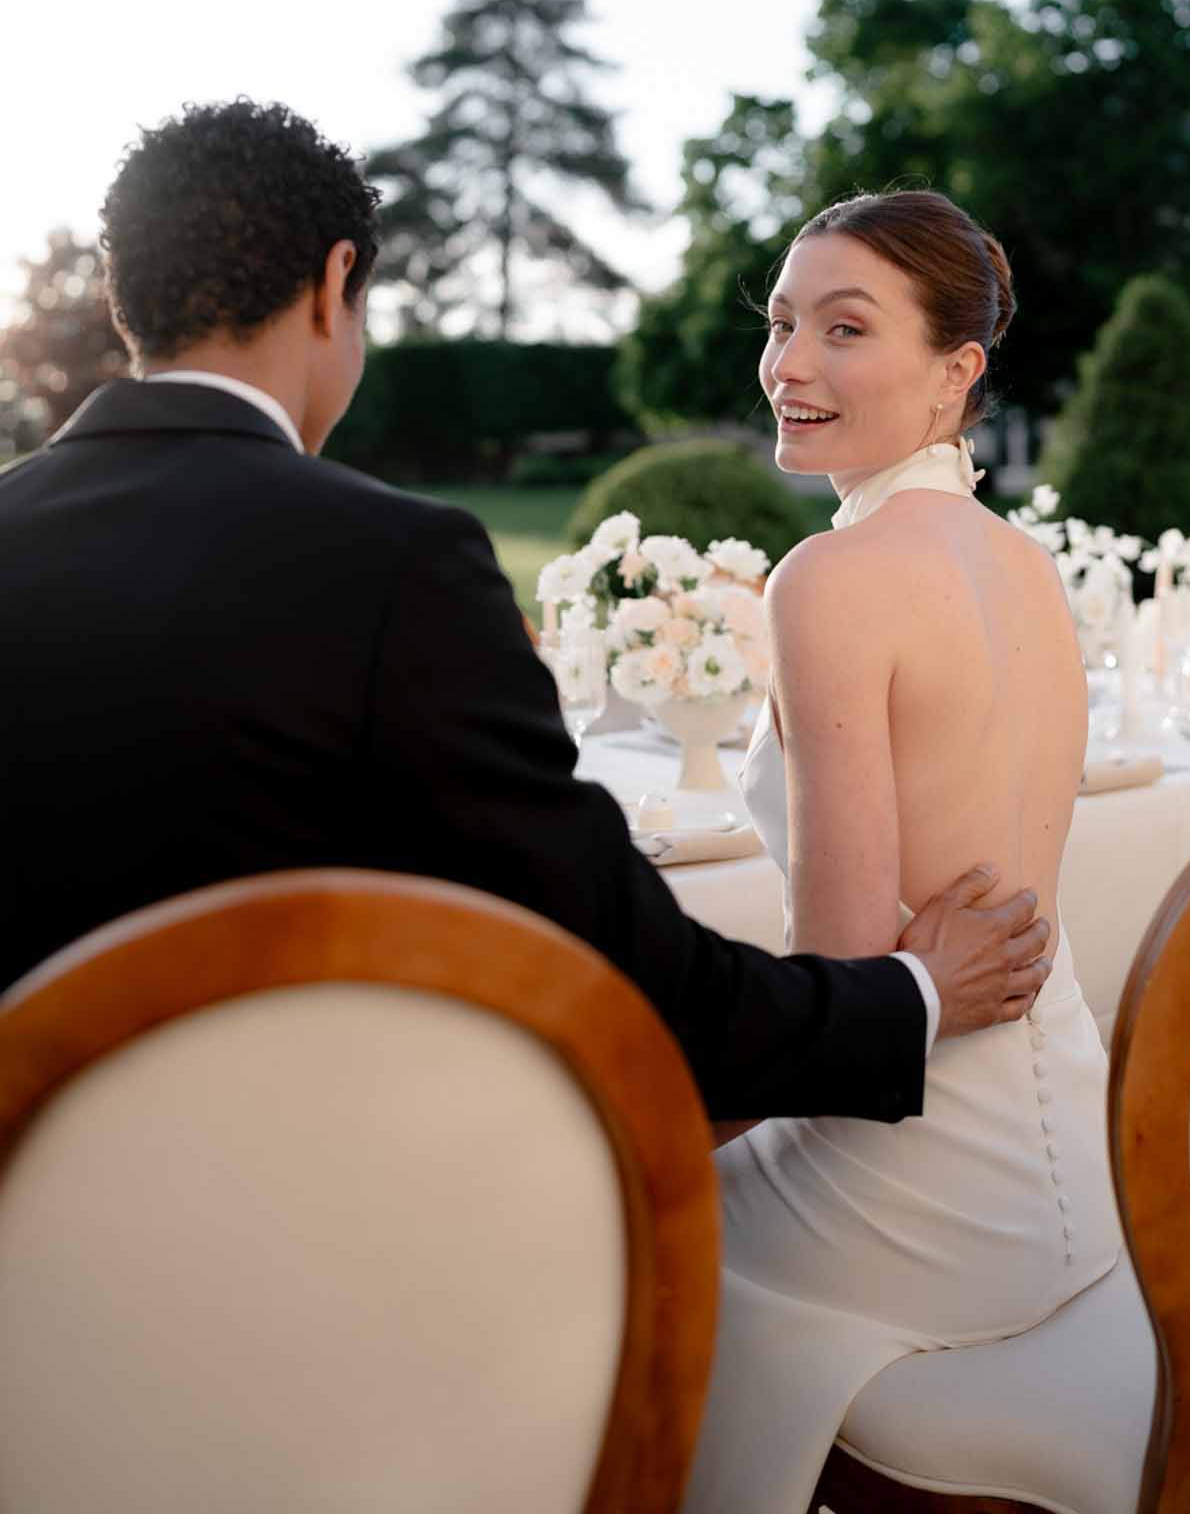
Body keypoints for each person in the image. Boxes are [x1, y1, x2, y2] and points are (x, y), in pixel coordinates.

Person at [0, 100, 1051, 1137]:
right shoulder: (395, 565)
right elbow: (616, 970)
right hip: (299, 1214)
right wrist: (906, 997)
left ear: (124, 290)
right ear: (334, 287)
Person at [683, 191, 1121, 1512]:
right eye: (780, 324)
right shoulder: (1022, 562)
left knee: (602, 1222)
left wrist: (660, 1119)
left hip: (912, 1184)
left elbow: (839, 977)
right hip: (1077, 1170)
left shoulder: (831, 577)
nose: (789, 365)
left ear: (956, 371)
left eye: (844, 327)